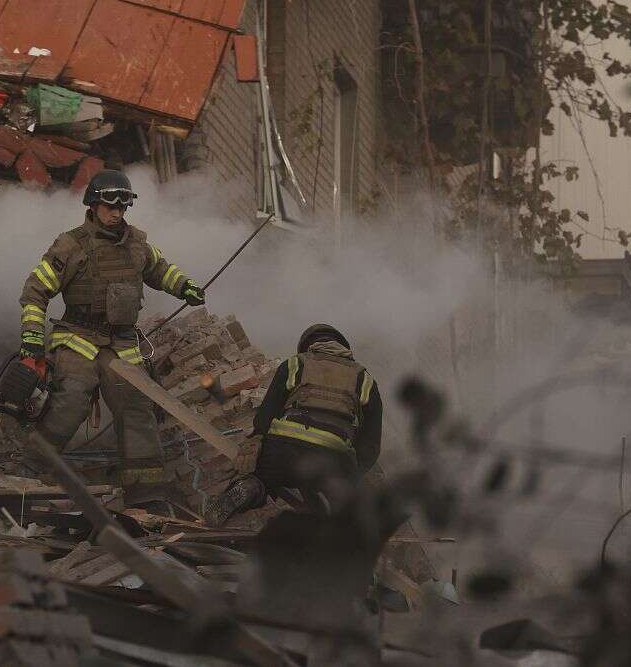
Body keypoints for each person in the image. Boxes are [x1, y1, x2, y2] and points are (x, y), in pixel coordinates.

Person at [19, 169, 205, 505]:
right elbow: (35, 290)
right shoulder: (71, 245)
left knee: (136, 408)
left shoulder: (137, 243)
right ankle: (31, 470)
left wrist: (184, 287)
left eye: (122, 207)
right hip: (78, 337)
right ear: (93, 204)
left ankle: (145, 491)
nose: (117, 213)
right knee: (71, 397)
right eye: (110, 206)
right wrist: (32, 335)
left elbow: (160, 269)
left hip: (122, 343)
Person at [203, 324, 382, 526]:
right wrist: (352, 473)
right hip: (333, 458)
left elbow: (267, 413)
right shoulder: (365, 379)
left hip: (285, 448)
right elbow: (371, 443)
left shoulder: (296, 364)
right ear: (343, 347)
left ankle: (247, 488)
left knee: (260, 479)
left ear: (308, 346)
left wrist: (257, 441)